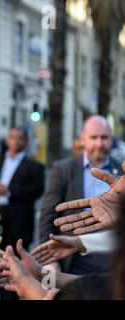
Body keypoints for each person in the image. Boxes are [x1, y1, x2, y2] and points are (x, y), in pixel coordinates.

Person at [39, 115, 122, 275]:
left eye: (104, 137)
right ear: (82, 139)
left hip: (113, 257)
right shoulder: (63, 169)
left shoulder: (122, 171)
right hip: (73, 256)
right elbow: (47, 217)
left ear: (111, 139)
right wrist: (50, 262)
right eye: (93, 137)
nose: (99, 144)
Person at [0, 127, 44, 299]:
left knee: (17, 270)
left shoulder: (33, 166)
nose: (16, 141)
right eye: (13, 137)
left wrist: (9, 190)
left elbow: (37, 189)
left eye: (20, 138)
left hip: (18, 223)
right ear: (7, 140)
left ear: (26, 142)